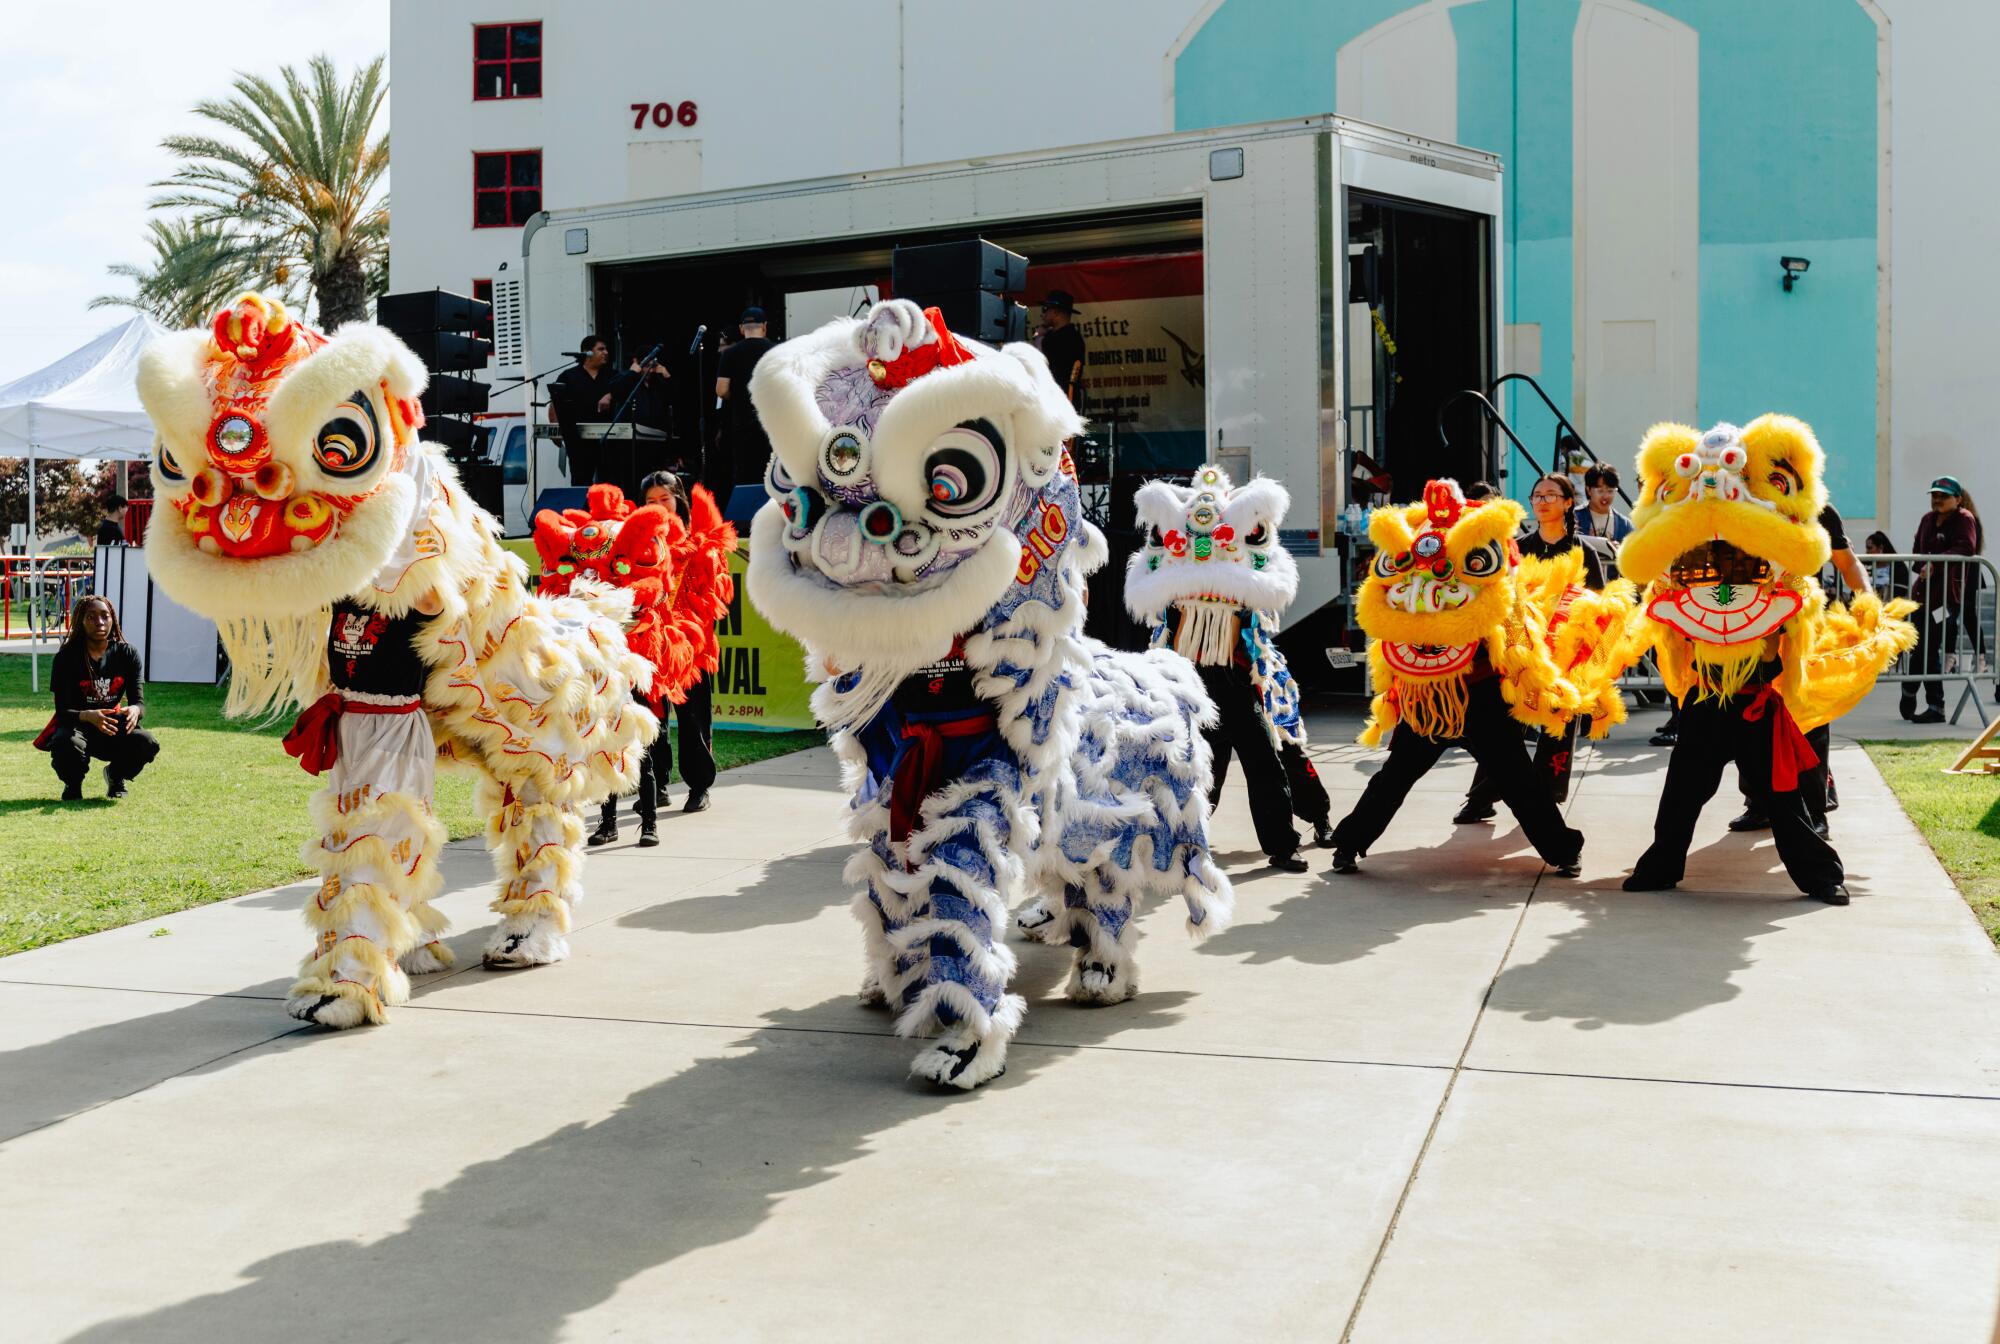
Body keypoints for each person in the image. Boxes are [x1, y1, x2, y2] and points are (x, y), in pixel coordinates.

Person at [1455, 473, 1602, 823]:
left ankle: (1546, 806)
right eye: (1538, 495)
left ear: (1568, 503)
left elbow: (1599, 604)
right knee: (1504, 733)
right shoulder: (1516, 546)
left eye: (1552, 495)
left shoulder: (1583, 550)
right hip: (1517, 654)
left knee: (1556, 732)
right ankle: (1480, 799)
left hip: (1563, 659)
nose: (1543, 501)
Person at [589, 470, 718, 847]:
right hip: (649, 643)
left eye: (665, 499)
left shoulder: (699, 543)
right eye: (650, 502)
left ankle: (698, 786)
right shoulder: (640, 543)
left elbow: (711, 598)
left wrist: (685, 633)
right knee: (651, 719)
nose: (659, 506)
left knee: (693, 720)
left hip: (689, 645)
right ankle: (658, 783)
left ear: (678, 500)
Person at [1727, 501, 1869, 835]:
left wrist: (1868, 600)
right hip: (1753, 625)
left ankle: (1814, 810)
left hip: (1802, 628)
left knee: (1808, 717)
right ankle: (1758, 804)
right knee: (1752, 711)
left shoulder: (1818, 509)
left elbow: (1847, 562)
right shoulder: (1741, 502)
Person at [36, 594, 159, 800]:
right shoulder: (67, 657)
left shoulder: (127, 654)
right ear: (80, 622)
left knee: (147, 742)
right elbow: (63, 712)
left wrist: (135, 711)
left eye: (105, 616)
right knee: (65, 743)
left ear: (113, 619)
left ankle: (115, 776)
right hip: (78, 726)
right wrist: (89, 715)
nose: (100, 622)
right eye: (91, 617)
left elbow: (139, 703)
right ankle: (73, 785)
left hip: (111, 725)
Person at [1902, 476, 1979, 725]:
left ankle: (1936, 705)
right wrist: (1924, 563)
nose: (1938, 500)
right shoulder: (1927, 519)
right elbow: (1917, 552)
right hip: (1921, 595)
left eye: (1944, 496)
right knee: (1916, 646)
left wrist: (1935, 561)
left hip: (1946, 599)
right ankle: (1909, 690)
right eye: (1934, 495)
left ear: (1957, 499)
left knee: (1930, 648)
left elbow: (1967, 548)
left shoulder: (1965, 519)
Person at [712, 307, 776, 510]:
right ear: (765, 327)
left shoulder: (730, 354)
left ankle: (746, 520)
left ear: (741, 329)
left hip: (741, 422)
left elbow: (721, 390)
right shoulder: (776, 351)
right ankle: (774, 515)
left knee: (745, 472)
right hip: (771, 423)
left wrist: (740, 398)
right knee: (772, 470)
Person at [552, 334, 619, 487]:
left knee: (609, 483)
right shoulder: (568, 376)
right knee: (580, 482)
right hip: (577, 440)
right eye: (601, 349)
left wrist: (610, 395)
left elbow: (624, 390)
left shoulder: (613, 375)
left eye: (606, 349)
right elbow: (555, 404)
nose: (606, 352)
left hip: (608, 441)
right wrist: (556, 428)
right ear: (586, 353)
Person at [1035, 290, 1087, 410]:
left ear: (1056, 312)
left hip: (1060, 403)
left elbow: (1038, 363)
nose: (1043, 314)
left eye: (1045, 309)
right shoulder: (1071, 336)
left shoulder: (1065, 338)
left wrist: (1038, 337)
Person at [1574, 464, 1634, 542]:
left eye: (1610, 491)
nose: (1605, 496)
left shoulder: (1624, 525)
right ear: (1588, 490)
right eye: (1600, 491)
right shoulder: (1574, 517)